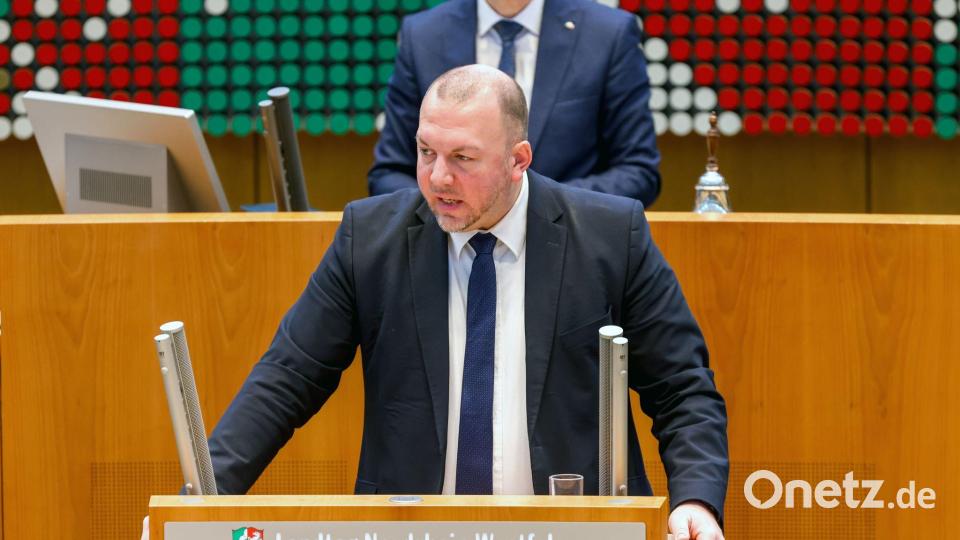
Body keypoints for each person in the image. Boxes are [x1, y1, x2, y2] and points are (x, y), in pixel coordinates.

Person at [142, 65, 726, 540]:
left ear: (518, 160)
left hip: (573, 527)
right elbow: (287, 377)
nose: (437, 178)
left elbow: (682, 388)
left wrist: (695, 499)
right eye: (425, 152)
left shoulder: (608, 235)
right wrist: (200, 503)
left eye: (463, 159)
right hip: (411, 528)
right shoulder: (369, 238)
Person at [368, 0, 662, 206]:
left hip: (571, 250)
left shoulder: (607, 33)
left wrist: (532, 209)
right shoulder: (424, 34)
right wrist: (453, 205)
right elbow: (388, 174)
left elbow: (637, 172)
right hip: (447, 250)